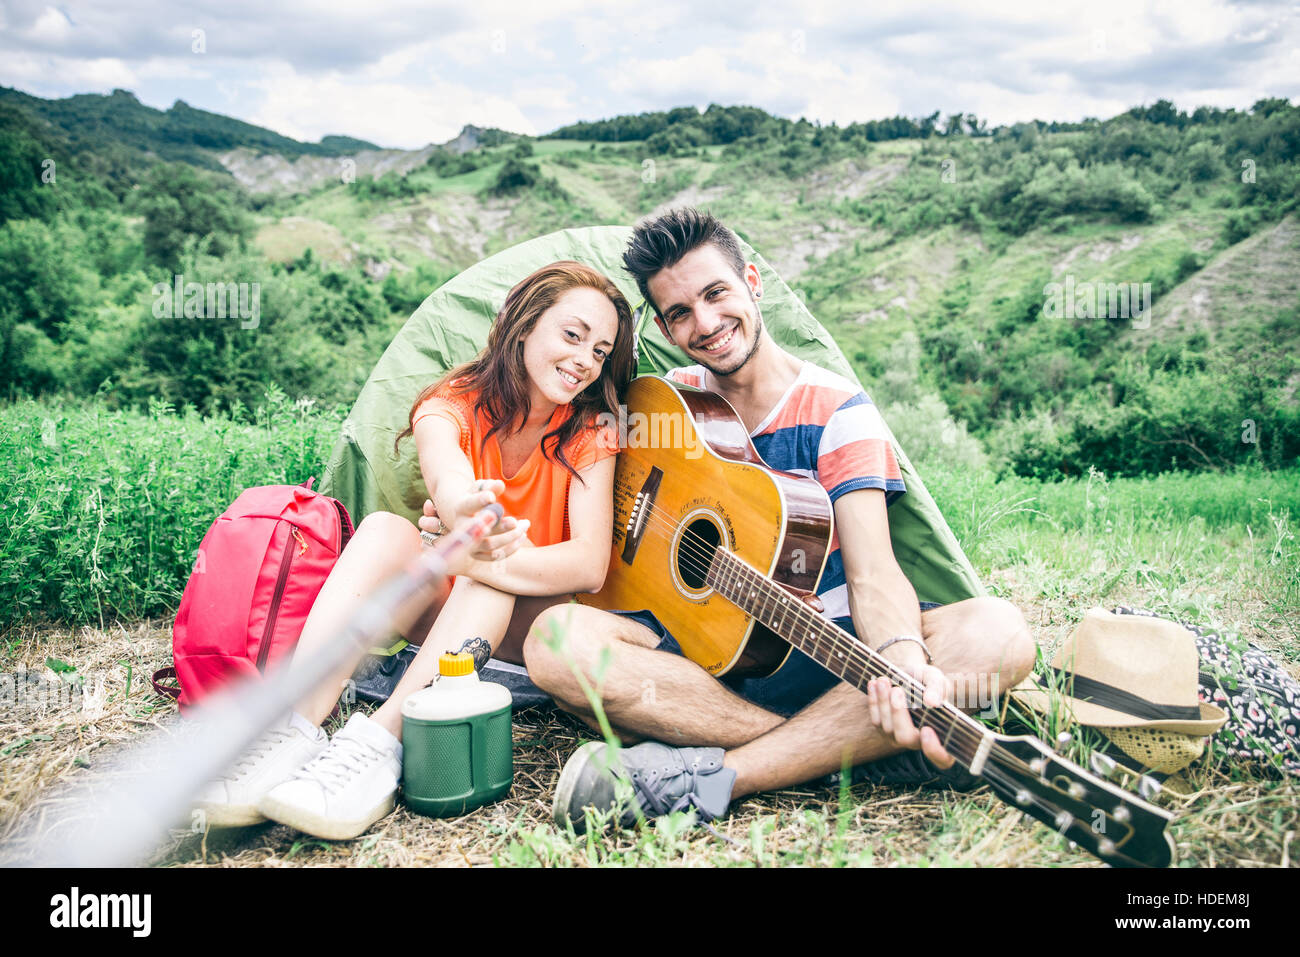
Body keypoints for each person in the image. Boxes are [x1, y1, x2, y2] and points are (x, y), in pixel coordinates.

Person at [518, 209, 1038, 829]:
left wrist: (900, 654)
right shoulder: (665, 400)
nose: (706, 324)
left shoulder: (837, 409)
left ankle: (725, 774)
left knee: (997, 632)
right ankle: (835, 755)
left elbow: (874, 573)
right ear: (663, 325)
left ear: (753, 283)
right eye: (680, 313)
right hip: (690, 672)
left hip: (827, 665)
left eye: (716, 294)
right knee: (556, 643)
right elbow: (586, 473)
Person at [194, 260, 636, 840]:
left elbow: (588, 565)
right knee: (385, 530)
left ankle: (379, 744)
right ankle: (290, 728)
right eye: (572, 335)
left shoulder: (590, 431)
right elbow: (447, 477)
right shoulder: (453, 399)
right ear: (524, 326)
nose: (585, 360)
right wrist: (463, 511)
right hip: (442, 627)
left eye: (601, 351)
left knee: (487, 577)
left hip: (522, 641)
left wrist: (481, 557)